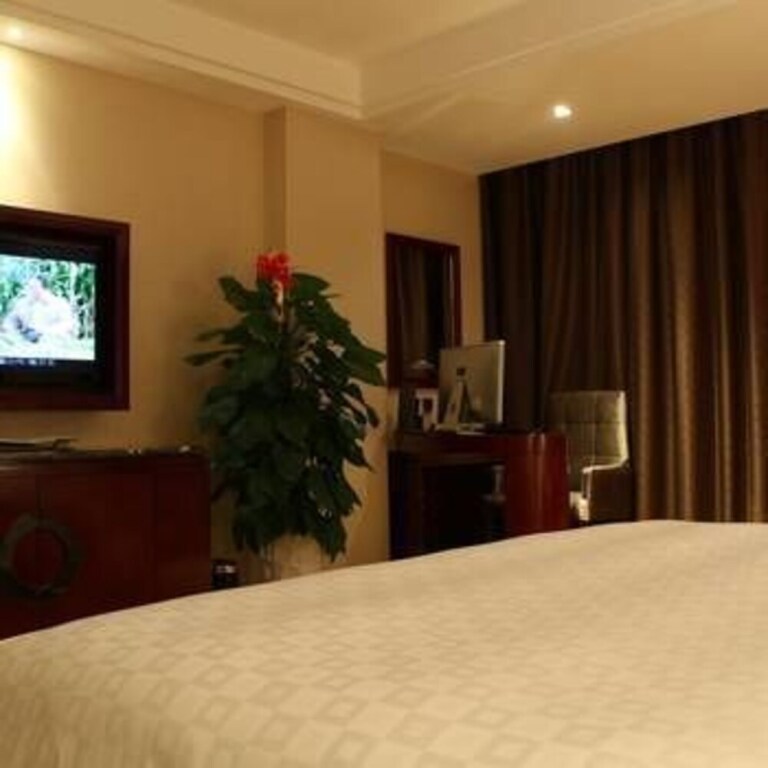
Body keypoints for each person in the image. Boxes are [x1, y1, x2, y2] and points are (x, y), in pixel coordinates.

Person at [1, 276, 76, 343]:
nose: (29, 290)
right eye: (29, 287)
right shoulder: (23, 303)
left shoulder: (60, 304)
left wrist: (44, 332)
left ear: (44, 289)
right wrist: (9, 328)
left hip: (50, 338)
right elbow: (12, 319)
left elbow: (67, 324)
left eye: (33, 287)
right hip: (25, 337)